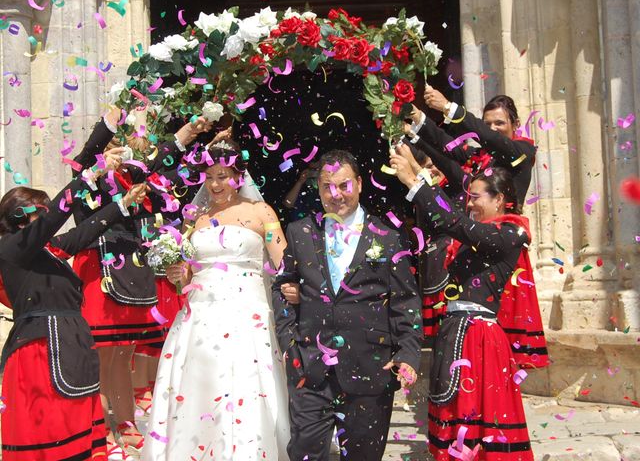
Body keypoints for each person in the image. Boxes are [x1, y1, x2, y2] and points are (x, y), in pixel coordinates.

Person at [71, 108, 212, 455]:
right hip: (99, 269)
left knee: (123, 354)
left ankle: (125, 421)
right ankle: (101, 429)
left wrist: (188, 132)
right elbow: (82, 161)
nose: (121, 156)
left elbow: (158, 159)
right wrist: (107, 125)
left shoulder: (133, 182)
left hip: (131, 272)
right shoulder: (87, 180)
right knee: (103, 357)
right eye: (115, 149)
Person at [143, 140, 290, 460]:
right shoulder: (195, 216)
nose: (214, 184)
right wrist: (177, 274)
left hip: (247, 314)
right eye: (209, 177)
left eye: (222, 176)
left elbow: (284, 264)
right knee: (198, 384)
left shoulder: (260, 212)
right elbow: (187, 274)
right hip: (199, 316)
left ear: (239, 176)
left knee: (245, 385)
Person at [272, 149, 422, 461]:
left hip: (369, 368)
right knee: (304, 452)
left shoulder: (388, 238)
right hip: (310, 368)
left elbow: (405, 301)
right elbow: (281, 285)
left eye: (343, 186)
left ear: (359, 184)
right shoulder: (300, 232)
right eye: (327, 187)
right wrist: (288, 342)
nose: (335, 195)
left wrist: (407, 353)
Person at [391, 145, 534, 460]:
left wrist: (414, 184)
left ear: (499, 200)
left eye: (477, 197)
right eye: (468, 196)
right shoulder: (477, 235)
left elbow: (455, 223)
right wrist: (415, 167)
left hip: (480, 340)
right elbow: (455, 219)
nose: (469, 202)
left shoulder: (510, 234)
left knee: (480, 422)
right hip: (455, 332)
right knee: (454, 417)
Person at [0, 169, 147, 460]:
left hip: (67, 344)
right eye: (39, 213)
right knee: (52, 435)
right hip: (40, 352)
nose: (47, 221)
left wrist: (123, 203)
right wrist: (88, 176)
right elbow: (56, 215)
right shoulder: (11, 249)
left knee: (76, 431)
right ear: (19, 217)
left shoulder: (48, 252)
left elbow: (86, 231)